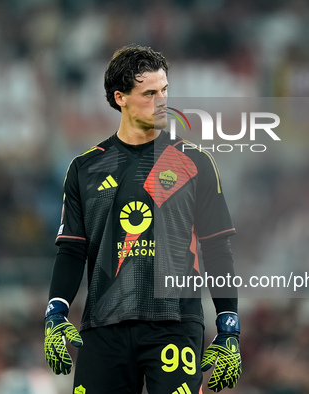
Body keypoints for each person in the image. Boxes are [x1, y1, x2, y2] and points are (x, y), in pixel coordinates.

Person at [44, 44, 241, 394]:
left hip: (175, 324)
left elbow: (217, 249)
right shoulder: (85, 168)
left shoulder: (194, 163)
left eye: (164, 90)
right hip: (103, 326)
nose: (162, 100)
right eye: (149, 93)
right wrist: (56, 312)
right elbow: (73, 250)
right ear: (120, 98)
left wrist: (229, 325)